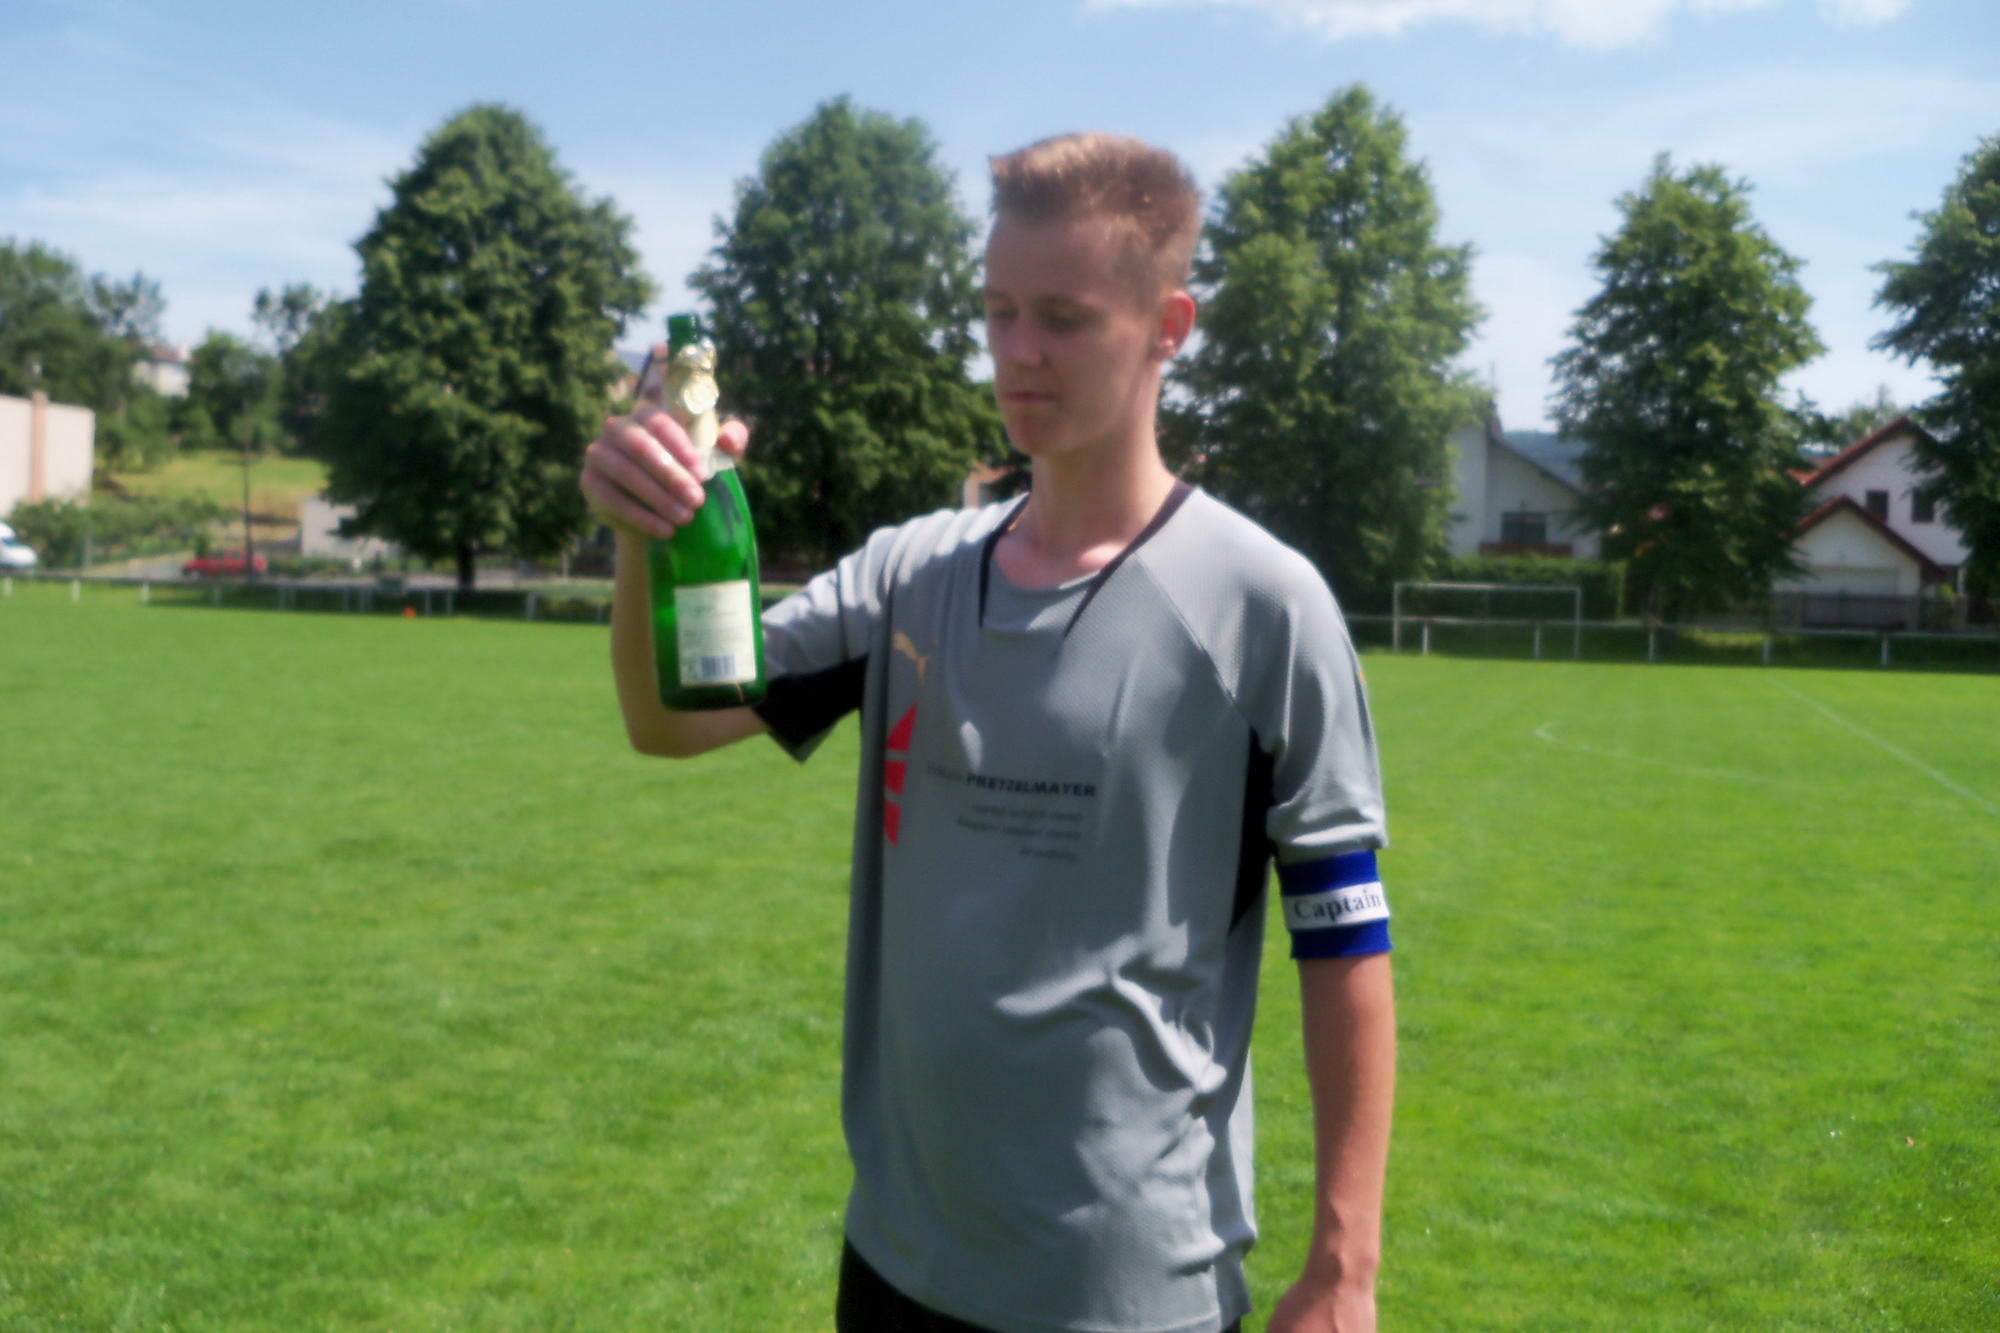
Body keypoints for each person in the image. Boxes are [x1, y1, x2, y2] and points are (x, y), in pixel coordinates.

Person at [580, 132, 1395, 1333]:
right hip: (898, 1262)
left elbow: (1344, 939)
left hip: (1129, 1292)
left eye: (1062, 317)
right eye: (998, 311)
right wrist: (643, 529)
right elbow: (666, 723)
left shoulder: (1262, 603)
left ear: (1168, 325)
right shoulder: (905, 576)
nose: (1018, 351)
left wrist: (1343, 1267)